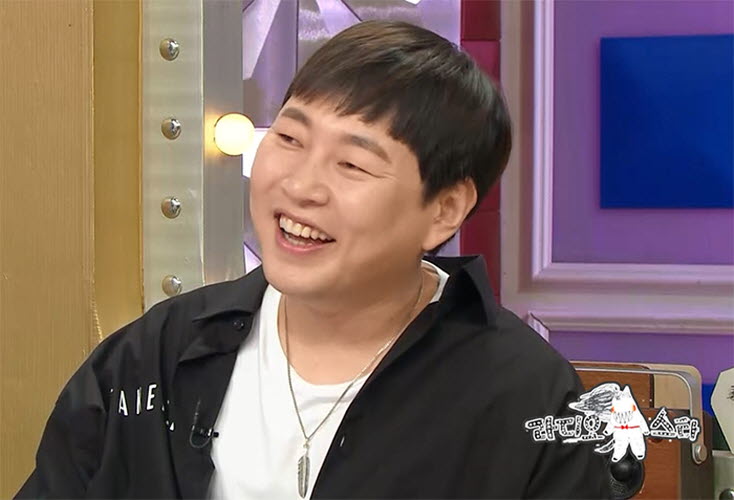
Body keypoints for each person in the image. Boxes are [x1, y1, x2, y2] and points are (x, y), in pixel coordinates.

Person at [16, 20, 609, 499]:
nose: (300, 186)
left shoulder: (527, 398)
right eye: (290, 139)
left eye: (352, 165)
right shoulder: (156, 353)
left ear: (444, 209)